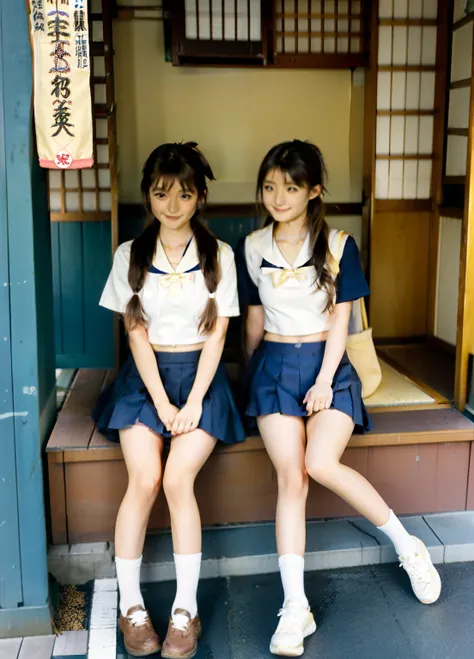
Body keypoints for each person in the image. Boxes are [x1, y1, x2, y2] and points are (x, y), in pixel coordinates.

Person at [238, 140, 441, 657]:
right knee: (292, 476)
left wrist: (326, 380)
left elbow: (340, 319)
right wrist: (249, 373)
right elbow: (256, 317)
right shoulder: (254, 245)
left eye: (290, 187)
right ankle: (295, 607)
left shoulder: (338, 244)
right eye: (270, 187)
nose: (278, 197)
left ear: (313, 191)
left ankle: (408, 546)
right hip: (275, 370)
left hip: (329, 369)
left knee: (319, 461)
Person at [94, 142, 245, 658]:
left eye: (184, 194)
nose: (172, 205)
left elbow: (219, 337)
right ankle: (131, 607)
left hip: (202, 380)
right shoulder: (129, 256)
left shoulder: (219, 255)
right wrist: (161, 403)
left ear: (200, 197)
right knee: (147, 477)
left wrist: (195, 401)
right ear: (148, 196)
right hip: (146, 380)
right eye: (161, 194)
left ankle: (186, 609)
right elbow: (135, 337)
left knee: (179, 478)